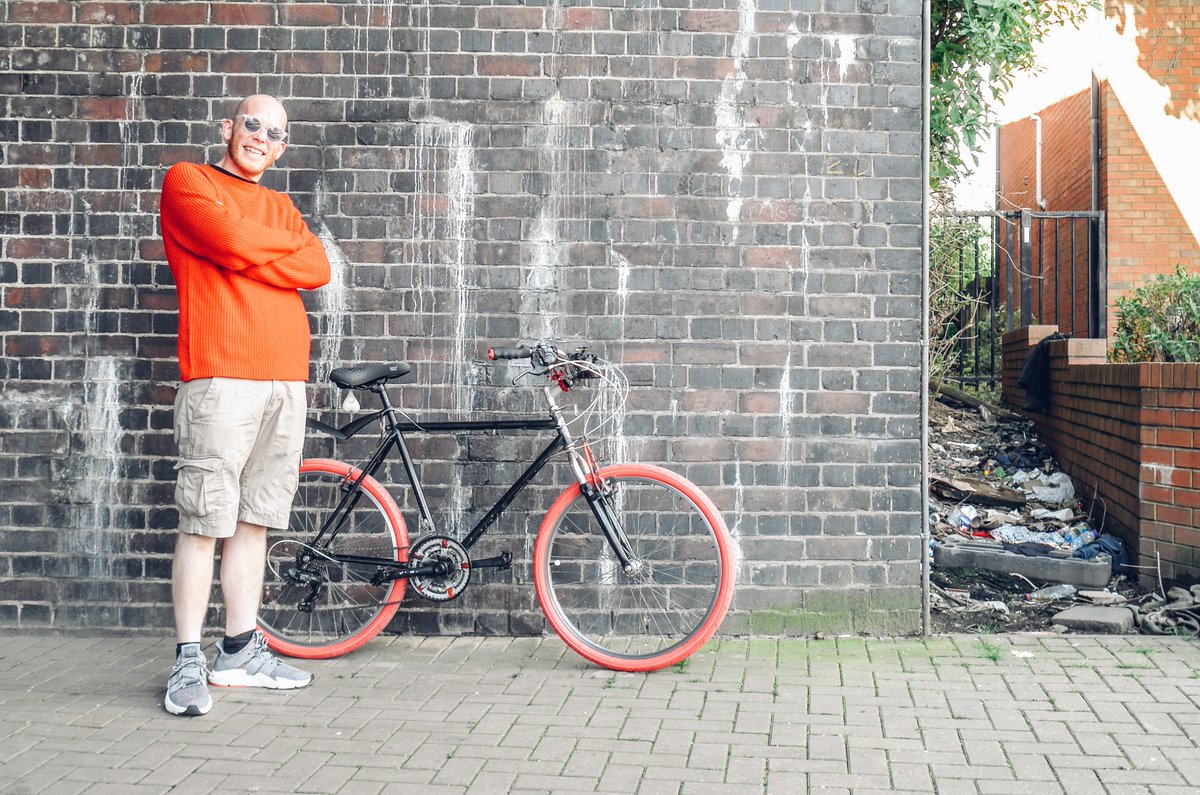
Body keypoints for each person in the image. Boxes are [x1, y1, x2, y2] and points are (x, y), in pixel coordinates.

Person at [158, 95, 332, 716]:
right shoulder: (189, 181)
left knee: (255, 520)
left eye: (274, 133)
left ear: (282, 148)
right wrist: (268, 252)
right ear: (229, 127)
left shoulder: (281, 205)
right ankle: (188, 659)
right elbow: (229, 238)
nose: (261, 137)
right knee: (204, 520)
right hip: (220, 375)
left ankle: (238, 651)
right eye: (252, 124)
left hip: (285, 379)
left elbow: (317, 267)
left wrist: (247, 253)